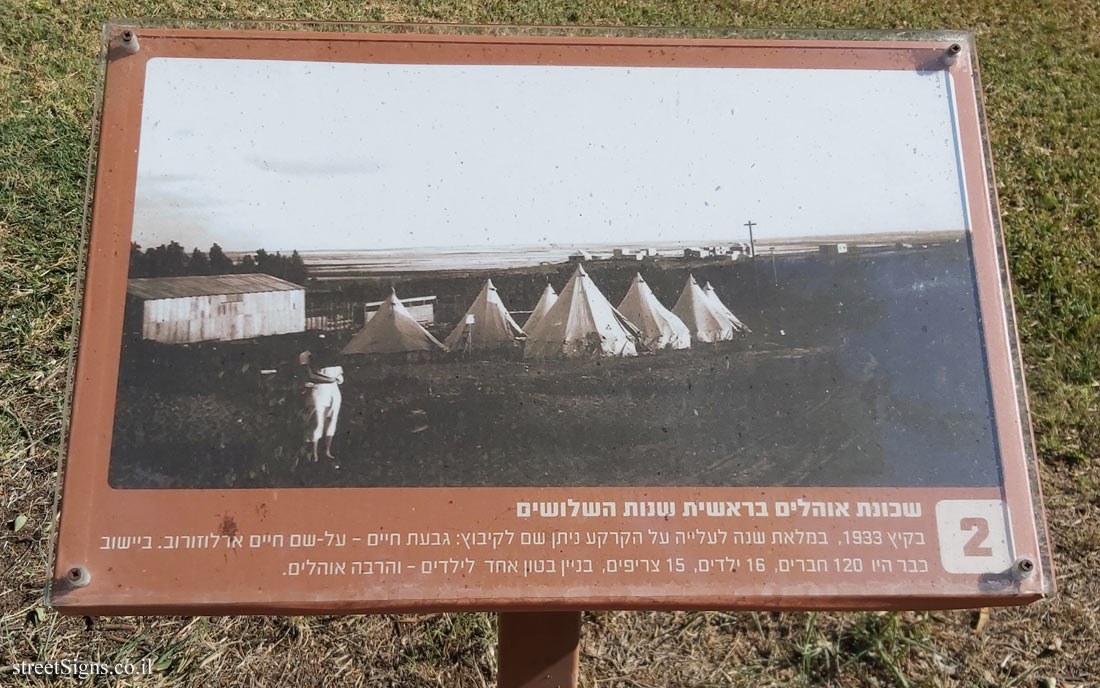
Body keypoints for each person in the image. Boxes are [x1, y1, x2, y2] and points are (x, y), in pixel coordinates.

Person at [299, 346, 343, 462]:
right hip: (319, 390)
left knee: (332, 419)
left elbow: (340, 376)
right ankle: (313, 453)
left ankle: (327, 451)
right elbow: (310, 375)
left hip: (334, 391)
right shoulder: (307, 356)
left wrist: (336, 379)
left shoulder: (334, 356)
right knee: (317, 421)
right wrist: (330, 380)